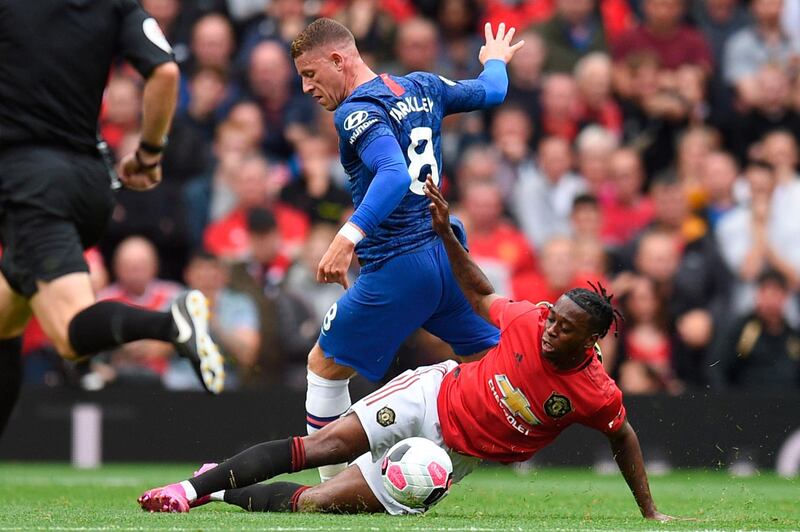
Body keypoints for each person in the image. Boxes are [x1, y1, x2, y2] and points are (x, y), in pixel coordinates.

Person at [138, 177, 673, 522]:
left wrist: (649, 513)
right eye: (554, 317)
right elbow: (484, 292)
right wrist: (446, 234)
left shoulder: (593, 392)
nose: (551, 329)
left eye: (565, 328)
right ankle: (190, 487)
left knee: (321, 504)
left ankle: (222, 488)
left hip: (453, 457)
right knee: (321, 447)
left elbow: (622, 436)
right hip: (429, 395)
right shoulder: (528, 321)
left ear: (591, 340)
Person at [288, 18, 524, 481]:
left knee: (324, 365)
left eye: (311, 74)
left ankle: (335, 488)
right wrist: (495, 60)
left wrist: (346, 238)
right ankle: (464, 452)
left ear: (338, 59)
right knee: (492, 366)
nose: (306, 87)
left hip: (400, 264)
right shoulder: (423, 85)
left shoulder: (356, 111)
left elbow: (392, 174)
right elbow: (492, 92)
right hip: (451, 257)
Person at [0, 0, 226, 437]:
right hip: (92, 180)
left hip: (31, 183)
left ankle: (169, 321)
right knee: (5, 320)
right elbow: (165, 71)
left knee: (67, 333)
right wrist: (150, 154)